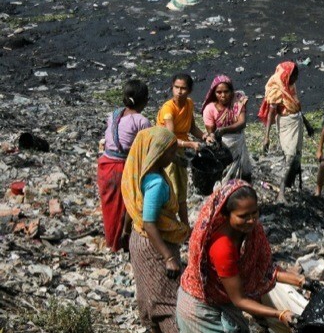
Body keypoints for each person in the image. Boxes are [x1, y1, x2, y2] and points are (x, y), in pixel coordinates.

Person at [176, 181, 308, 333]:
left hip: (218, 301)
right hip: (199, 306)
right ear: (226, 216)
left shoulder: (250, 233)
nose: (251, 220)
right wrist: (279, 314)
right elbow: (238, 299)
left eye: (255, 213)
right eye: (243, 216)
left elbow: (265, 269)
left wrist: (299, 281)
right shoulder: (223, 247)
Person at [121, 127, 190, 333]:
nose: (173, 157)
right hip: (154, 243)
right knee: (166, 297)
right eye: (170, 152)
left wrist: (125, 232)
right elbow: (150, 223)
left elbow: (132, 207)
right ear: (158, 153)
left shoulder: (138, 173)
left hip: (137, 238)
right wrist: (168, 256)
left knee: (149, 291)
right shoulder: (157, 183)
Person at [97, 79, 151, 252]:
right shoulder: (141, 120)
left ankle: (110, 240)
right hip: (121, 166)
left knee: (109, 205)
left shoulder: (113, 115)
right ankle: (119, 243)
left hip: (105, 164)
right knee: (124, 205)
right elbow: (147, 145)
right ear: (144, 101)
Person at [259, 61, 315, 203]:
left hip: (297, 121)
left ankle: (291, 184)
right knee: (289, 156)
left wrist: (307, 124)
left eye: (296, 75)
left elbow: (297, 107)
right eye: (293, 75)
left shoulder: (290, 86)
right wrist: (267, 137)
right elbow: (272, 113)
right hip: (286, 124)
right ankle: (281, 192)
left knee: (296, 156)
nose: (296, 78)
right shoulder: (277, 89)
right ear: (286, 75)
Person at [156, 73, 205, 226]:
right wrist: (190, 144)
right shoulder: (168, 109)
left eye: (183, 88)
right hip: (167, 152)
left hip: (181, 151)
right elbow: (170, 138)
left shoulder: (189, 104)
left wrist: (204, 136)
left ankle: (184, 227)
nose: (179, 91)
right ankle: (170, 226)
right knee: (171, 190)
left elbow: (192, 127)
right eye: (176, 87)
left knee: (182, 190)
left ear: (189, 90)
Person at [202, 74, 253, 184]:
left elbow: (242, 122)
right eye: (219, 92)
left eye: (226, 91)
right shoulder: (210, 109)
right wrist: (212, 137)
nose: (223, 95)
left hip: (238, 142)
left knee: (244, 173)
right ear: (214, 93)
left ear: (231, 91)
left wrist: (224, 130)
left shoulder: (238, 100)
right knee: (225, 173)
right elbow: (211, 132)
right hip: (223, 146)